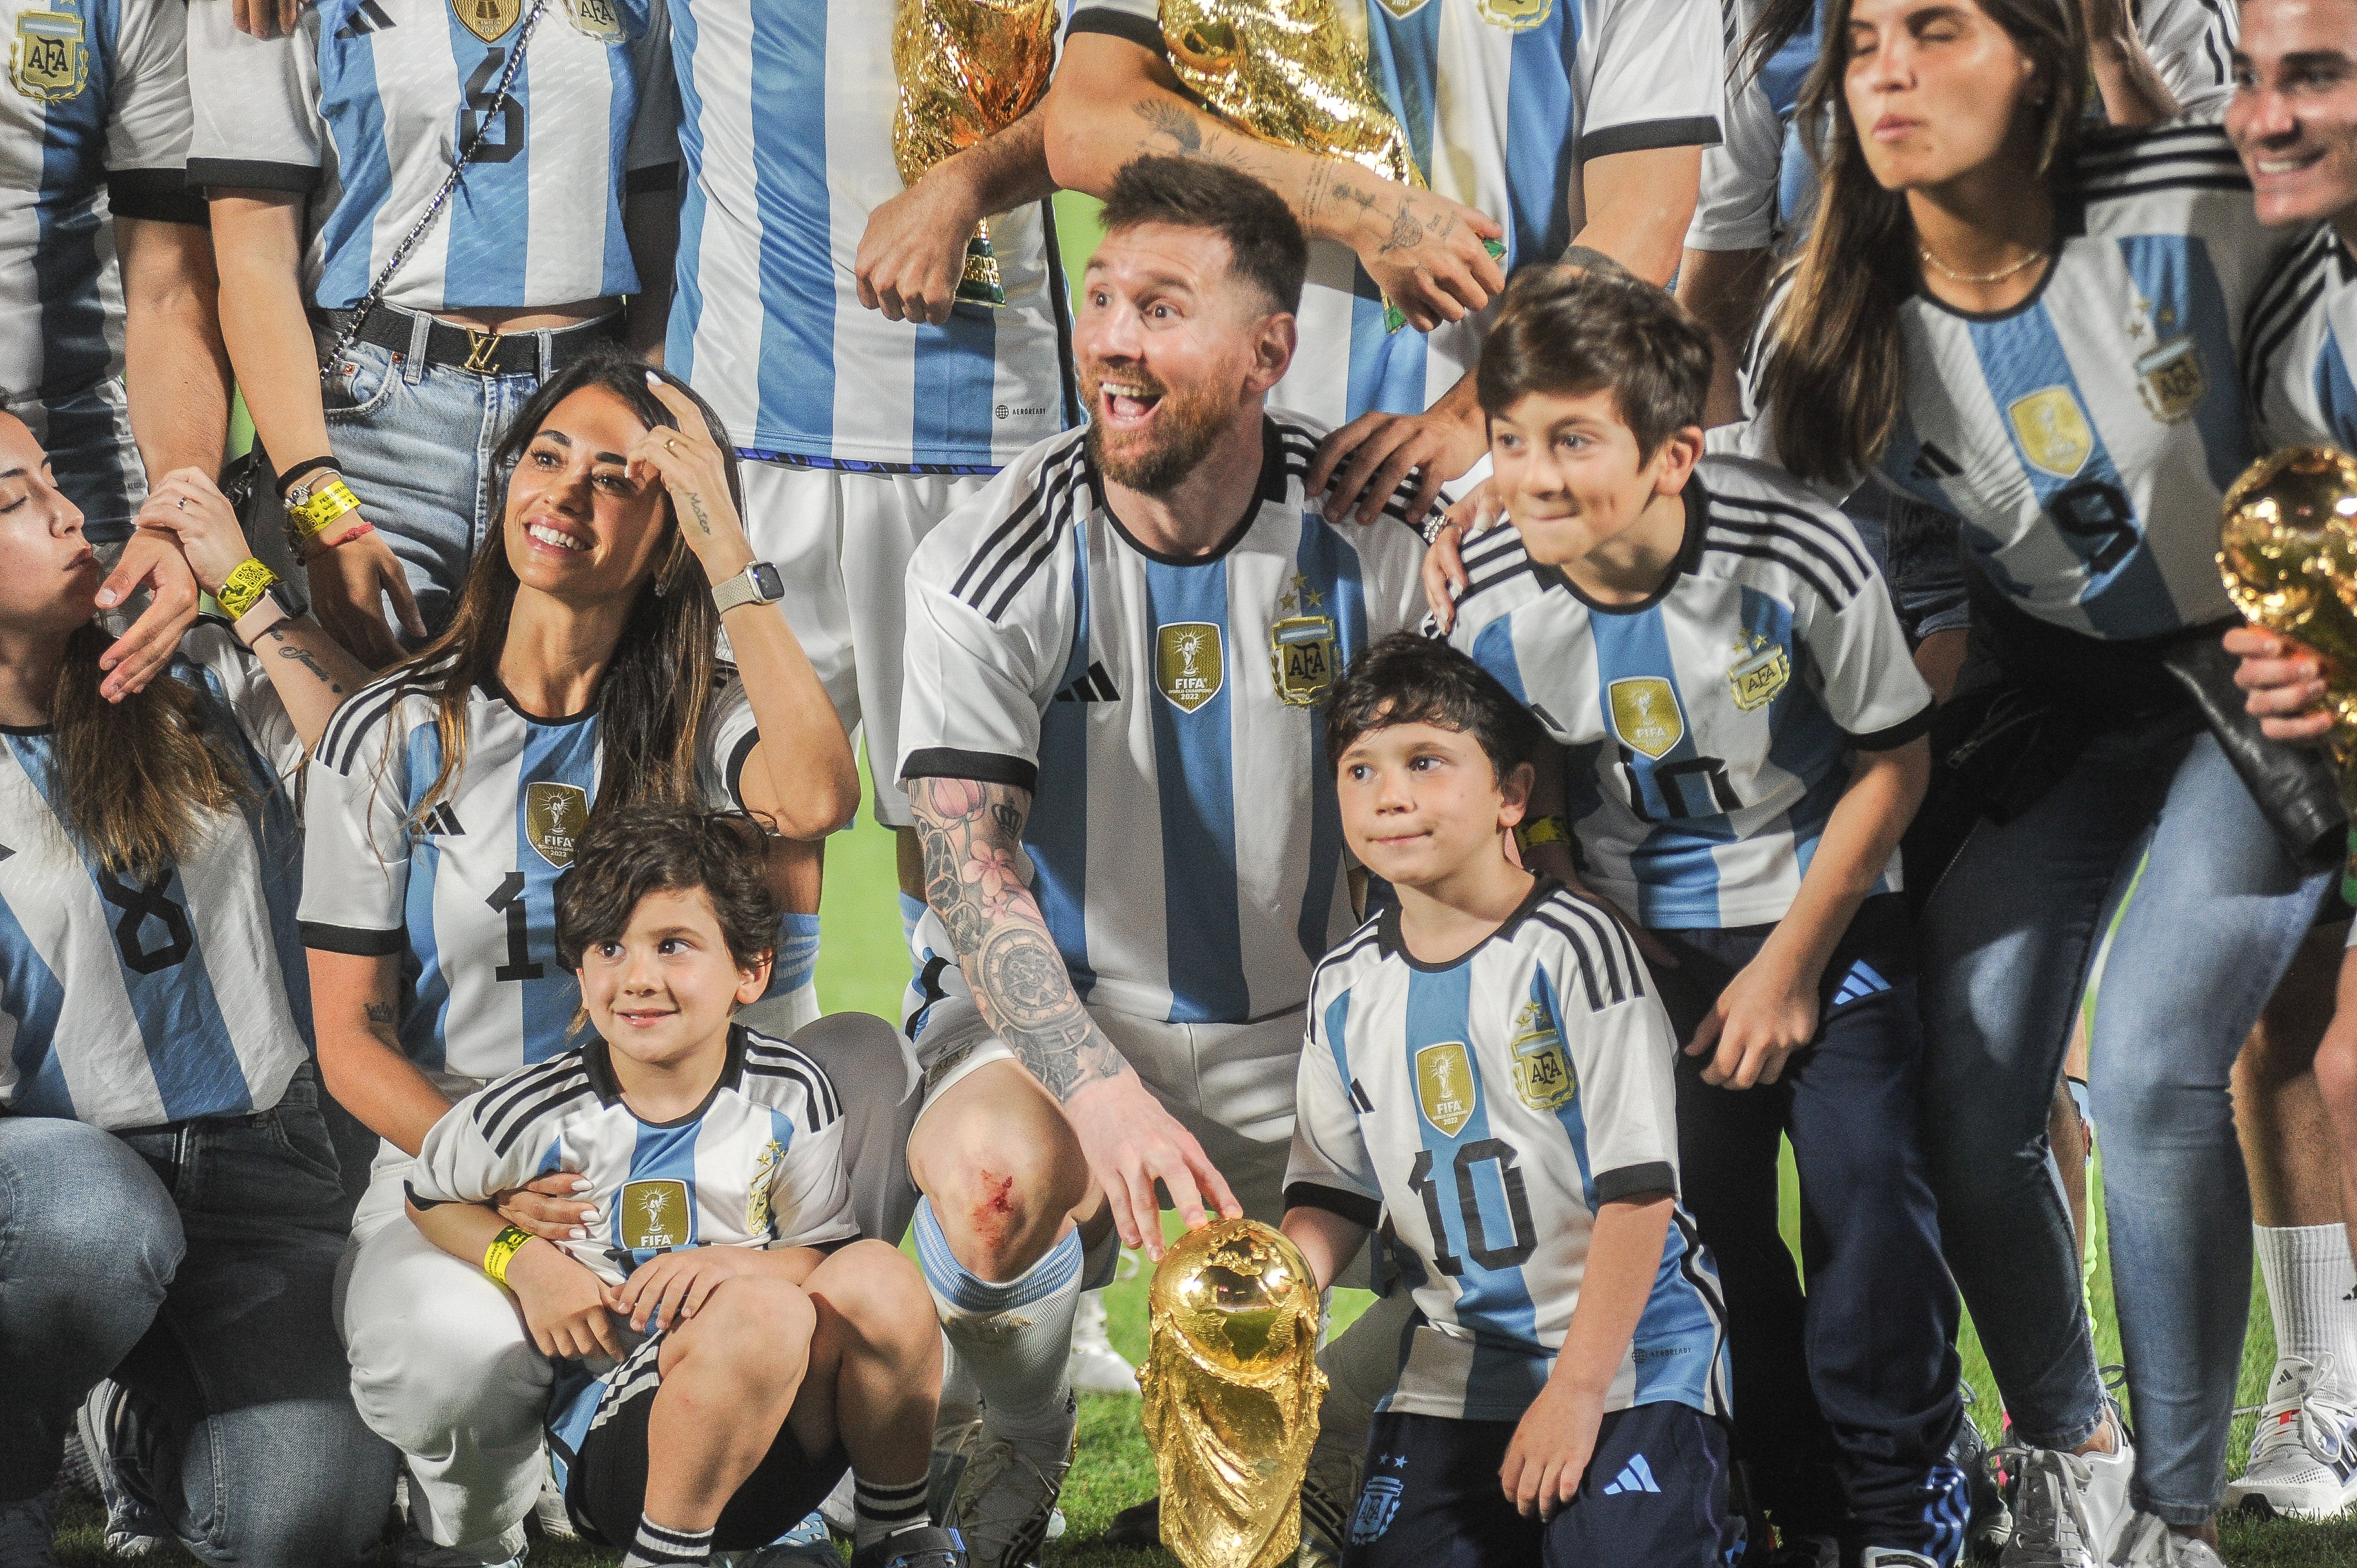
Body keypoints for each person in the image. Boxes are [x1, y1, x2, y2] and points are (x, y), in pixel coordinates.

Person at [1724, 2, 2328, 1562]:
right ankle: (2074, 1451)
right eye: (1864, 46)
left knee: (2144, 1064)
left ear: (2046, 63)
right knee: (1975, 1078)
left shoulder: (2202, 213)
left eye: (1938, 31)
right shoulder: (1827, 313)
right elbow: (1759, 525)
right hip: (2057, 690)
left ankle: (2176, 1525)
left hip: (2265, 688)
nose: (1890, 72)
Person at [892, 155, 1430, 1567]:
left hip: (1311, 1028)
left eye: (1165, 308)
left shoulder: (1380, 534)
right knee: (994, 1184)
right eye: (1107, 298)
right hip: (1067, 1024)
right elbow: (965, 875)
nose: (1115, 340)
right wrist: (1109, 1096)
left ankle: (1346, 1437)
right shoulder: (993, 554)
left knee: (1536, 1199)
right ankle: (1020, 1424)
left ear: (1270, 353)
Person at [299, 350, 899, 1568]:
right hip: (463, 1147)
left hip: (690, 1141)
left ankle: (747, 1470)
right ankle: (470, 1524)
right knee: (455, 1352)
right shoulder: (395, 729)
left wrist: (733, 556)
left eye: (618, 478)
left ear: (670, 529)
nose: (564, 495)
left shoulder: (702, 711)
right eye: (546, 457)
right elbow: (349, 1040)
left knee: (864, 1062)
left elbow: (822, 795)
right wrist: (494, 1190)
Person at [1442, 269, 1963, 1568]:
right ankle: (1794, 1505)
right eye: (1510, 442)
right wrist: (1580, 918)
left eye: (1573, 441)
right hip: (1642, 942)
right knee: (1710, 1226)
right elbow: (1521, 789)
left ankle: (1905, 1515)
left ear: (1677, 452)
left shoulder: (1796, 549)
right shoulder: (1487, 590)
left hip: (1823, 915)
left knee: (1864, 1196)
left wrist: (1792, 966)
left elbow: (1896, 758)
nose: (1533, 476)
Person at [0, 409, 395, 1568]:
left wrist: (249, 597)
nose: (70, 511)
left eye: (53, 479)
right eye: (12, 501)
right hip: (58, 1173)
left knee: (305, 1519)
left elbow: (397, 775)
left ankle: (125, 1422)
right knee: (93, 1225)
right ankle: (19, 1452)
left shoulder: (185, 664)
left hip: (262, 1169)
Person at [1280, 632, 1739, 1568]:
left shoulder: (1575, 948)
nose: (1389, 794)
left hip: (1628, 1354)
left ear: (1512, 794)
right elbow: (1333, 1194)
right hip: (1454, 1360)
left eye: (1425, 761)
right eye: (1358, 769)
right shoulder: (1343, 984)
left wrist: (1576, 1390)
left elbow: (1639, 1194)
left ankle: (1723, 1502)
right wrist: (1268, 1301)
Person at [404, 805, 960, 1568]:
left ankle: (894, 1538)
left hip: (780, 1424)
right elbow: (429, 1196)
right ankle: (664, 1557)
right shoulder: (533, 1110)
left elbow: (822, 1253)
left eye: (674, 946)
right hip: (622, 1446)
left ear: (751, 969)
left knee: (879, 1276)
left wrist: (736, 1267)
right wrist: (523, 1261)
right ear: (581, 969)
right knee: (762, 1313)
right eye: (610, 948)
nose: (638, 978)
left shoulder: (789, 1091)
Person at [1041, 0, 1724, 533]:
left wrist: (1473, 417)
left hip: (1495, 476)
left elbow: (1645, 213)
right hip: (1235, 452)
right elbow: (1085, 124)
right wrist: (1357, 209)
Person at [187, 0, 681, 663]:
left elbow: (664, 244)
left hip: (577, 422)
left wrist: (651, 426)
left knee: (563, 750)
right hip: (368, 428)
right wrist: (318, 501)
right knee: (343, 742)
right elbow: (252, 261)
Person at [2211, 0, 2357, 1521]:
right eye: (2253, 78)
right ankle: (2322, 1394)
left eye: (2311, 78)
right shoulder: (2295, 287)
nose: (2261, 116)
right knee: (2267, 1021)